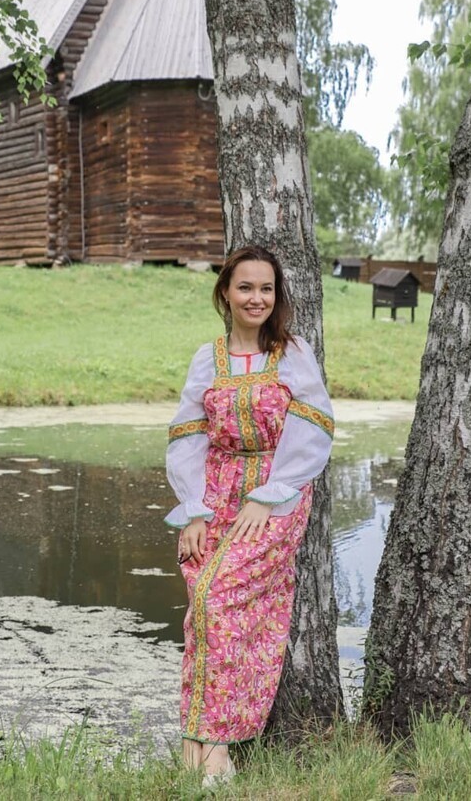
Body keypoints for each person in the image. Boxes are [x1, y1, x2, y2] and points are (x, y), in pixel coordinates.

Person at [165, 245, 334, 783]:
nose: (256, 298)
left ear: (277, 296)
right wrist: (192, 509)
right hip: (214, 495)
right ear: (226, 293)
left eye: (266, 289)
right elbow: (188, 434)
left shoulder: (293, 354)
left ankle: (215, 743)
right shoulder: (206, 358)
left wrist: (268, 494)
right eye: (245, 287)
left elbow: (314, 429)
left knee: (221, 595)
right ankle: (197, 743)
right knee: (204, 609)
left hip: (275, 494)